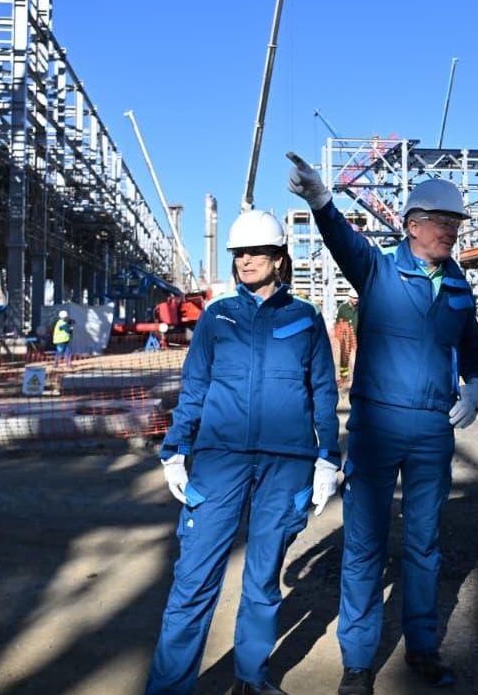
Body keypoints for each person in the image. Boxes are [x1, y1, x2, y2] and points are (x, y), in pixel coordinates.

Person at [287, 153, 478, 695]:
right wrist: (321, 201)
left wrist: (477, 386)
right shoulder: (377, 268)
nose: (451, 231)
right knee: (364, 542)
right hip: (378, 424)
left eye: (455, 224)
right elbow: (340, 240)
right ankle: (358, 661)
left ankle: (422, 648)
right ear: (412, 224)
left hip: (432, 429)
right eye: (442, 222)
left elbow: (473, 354)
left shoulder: (458, 289)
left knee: (425, 544)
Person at [146, 210, 340, 695]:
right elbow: (194, 388)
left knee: (263, 580)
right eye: (239, 254)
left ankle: (251, 678)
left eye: (256, 252)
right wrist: (175, 450)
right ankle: (169, 688)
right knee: (192, 581)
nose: (245, 260)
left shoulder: (305, 319)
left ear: (279, 258)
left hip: (286, 464)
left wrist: (328, 457)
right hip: (220, 460)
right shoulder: (217, 317)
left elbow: (322, 391)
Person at [334, 293, 358, 378]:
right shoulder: (343, 308)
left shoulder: (361, 307)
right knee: (344, 355)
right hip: (345, 335)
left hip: (357, 334)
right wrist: (338, 336)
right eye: (354, 298)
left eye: (357, 298)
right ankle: (344, 375)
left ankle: (359, 375)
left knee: (361, 355)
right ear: (350, 297)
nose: (356, 300)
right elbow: (337, 322)